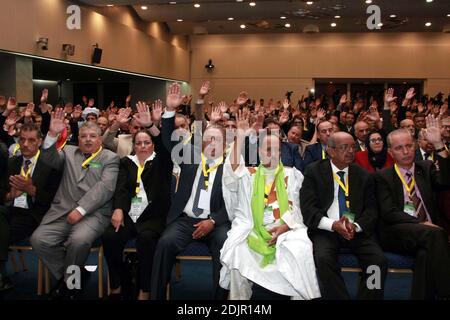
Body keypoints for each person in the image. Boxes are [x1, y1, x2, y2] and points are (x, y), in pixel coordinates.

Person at [219, 111, 321, 300]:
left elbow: (299, 208)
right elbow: (232, 171)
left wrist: (286, 226)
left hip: (285, 230)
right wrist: (240, 137)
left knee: (301, 250)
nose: (271, 154)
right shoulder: (249, 174)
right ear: (258, 152)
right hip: (253, 229)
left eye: (276, 150)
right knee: (236, 252)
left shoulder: (293, 175)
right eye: (267, 149)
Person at [150, 83, 230, 300]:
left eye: (218, 139)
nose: (212, 143)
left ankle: (220, 300)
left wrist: (212, 221)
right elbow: (167, 139)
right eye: (208, 138)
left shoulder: (231, 168)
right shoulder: (190, 157)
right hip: (186, 220)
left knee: (225, 246)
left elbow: (236, 203)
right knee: (165, 243)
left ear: (226, 144)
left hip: (216, 222)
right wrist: (169, 110)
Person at [30, 109, 120, 299]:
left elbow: (105, 188)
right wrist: (52, 135)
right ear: (78, 138)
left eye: (93, 136)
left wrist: (81, 209)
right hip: (61, 212)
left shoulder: (110, 158)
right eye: (84, 136)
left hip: (93, 215)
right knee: (39, 240)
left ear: (100, 139)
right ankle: (74, 276)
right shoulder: (69, 152)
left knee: (78, 241)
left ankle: (69, 287)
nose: (88, 140)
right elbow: (47, 159)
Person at [300, 132, 387, 300]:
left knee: (378, 262)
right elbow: (308, 209)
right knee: (324, 259)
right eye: (343, 147)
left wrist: (355, 226)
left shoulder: (364, 175)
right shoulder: (314, 171)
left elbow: (371, 211)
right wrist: (333, 225)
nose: (350, 151)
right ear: (330, 150)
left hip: (356, 230)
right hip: (326, 229)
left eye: (352, 147)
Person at [375, 117, 450, 299]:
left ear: (415, 146)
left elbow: (446, 181)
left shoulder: (426, 167)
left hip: (425, 235)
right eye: (399, 148)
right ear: (391, 152)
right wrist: (421, 222)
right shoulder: (382, 176)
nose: (406, 151)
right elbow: (389, 213)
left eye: (409, 146)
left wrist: (439, 144)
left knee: (424, 255)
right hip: (397, 232)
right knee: (435, 234)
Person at [103, 116, 172, 300]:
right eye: (139, 143)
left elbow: (166, 149)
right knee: (110, 236)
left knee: (146, 239)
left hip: (152, 217)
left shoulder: (161, 162)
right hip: (130, 215)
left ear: (153, 145)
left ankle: (145, 288)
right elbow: (121, 189)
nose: (142, 146)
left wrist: (151, 125)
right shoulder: (126, 162)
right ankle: (118, 284)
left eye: (147, 142)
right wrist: (118, 209)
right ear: (134, 145)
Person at [0, 124, 61, 291]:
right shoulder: (12, 162)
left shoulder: (50, 164)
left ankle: (2, 275)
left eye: (31, 140)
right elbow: (1, 193)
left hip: (35, 214)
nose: (25, 144)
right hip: (11, 210)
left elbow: (55, 199)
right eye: (22, 140)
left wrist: (31, 189)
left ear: (40, 142)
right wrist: (10, 195)